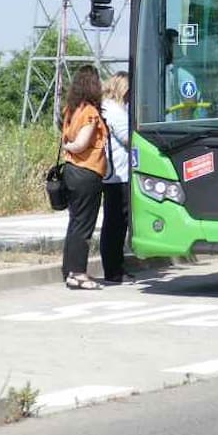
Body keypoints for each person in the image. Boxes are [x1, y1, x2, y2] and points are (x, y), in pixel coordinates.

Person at [60, 65, 108, 290]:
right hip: (87, 171)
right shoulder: (89, 112)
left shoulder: (71, 110)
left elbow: (67, 140)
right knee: (84, 225)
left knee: (74, 222)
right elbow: (82, 143)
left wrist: (67, 147)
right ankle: (79, 273)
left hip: (71, 171)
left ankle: (69, 271)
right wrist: (72, 146)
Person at [100, 71, 131, 283]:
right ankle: (114, 270)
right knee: (116, 224)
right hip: (118, 174)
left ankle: (115, 267)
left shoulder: (107, 107)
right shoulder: (115, 111)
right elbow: (128, 138)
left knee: (114, 223)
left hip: (113, 173)